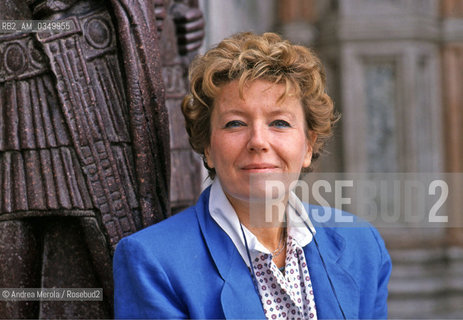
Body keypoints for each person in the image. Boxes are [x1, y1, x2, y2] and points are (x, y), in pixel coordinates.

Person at [113, 32, 392, 319]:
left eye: (279, 123)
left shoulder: (363, 248)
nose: (258, 141)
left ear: (308, 145)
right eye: (235, 123)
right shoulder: (154, 262)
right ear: (207, 147)